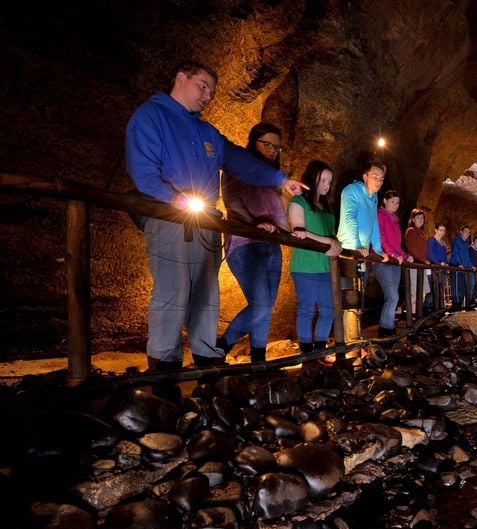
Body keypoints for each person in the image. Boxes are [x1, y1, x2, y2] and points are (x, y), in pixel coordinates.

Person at [125, 60, 307, 371]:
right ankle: (164, 363)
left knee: (207, 291)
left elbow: (238, 160)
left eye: (212, 91)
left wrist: (280, 179)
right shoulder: (151, 116)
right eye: (203, 86)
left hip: (206, 222)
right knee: (174, 290)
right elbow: (143, 171)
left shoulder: (207, 132)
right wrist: (174, 197)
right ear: (181, 77)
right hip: (169, 218)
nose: (208, 95)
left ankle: (207, 355)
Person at [216, 123, 289, 363]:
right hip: (245, 243)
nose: (272, 150)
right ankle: (220, 349)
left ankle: (259, 361)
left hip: (271, 245)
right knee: (261, 305)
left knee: (265, 308)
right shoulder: (241, 167)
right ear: (253, 142)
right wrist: (253, 224)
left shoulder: (272, 180)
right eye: (266, 144)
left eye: (276, 147)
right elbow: (232, 200)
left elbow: (280, 217)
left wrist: (299, 235)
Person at [288, 160, 343, 353]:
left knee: (328, 310)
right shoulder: (299, 201)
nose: (327, 186)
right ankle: (305, 352)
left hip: (325, 266)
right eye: (323, 180)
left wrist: (335, 242)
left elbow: (332, 235)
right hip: (305, 264)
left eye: (329, 181)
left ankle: (320, 350)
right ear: (313, 179)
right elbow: (298, 232)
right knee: (307, 309)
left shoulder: (326, 207)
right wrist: (330, 241)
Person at [337, 158, 389, 311]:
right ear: (365, 177)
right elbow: (349, 217)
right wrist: (357, 245)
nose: (378, 181)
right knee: (348, 296)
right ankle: (346, 333)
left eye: (381, 178)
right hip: (348, 252)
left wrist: (378, 250)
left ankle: (355, 332)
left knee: (360, 294)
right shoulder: (351, 191)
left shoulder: (374, 198)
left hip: (363, 253)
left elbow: (373, 225)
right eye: (375, 177)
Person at [375, 190, 413, 337]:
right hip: (384, 260)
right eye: (392, 202)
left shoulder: (394, 218)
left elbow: (397, 244)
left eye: (397, 202)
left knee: (392, 297)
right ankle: (386, 331)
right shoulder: (380, 215)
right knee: (392, 297)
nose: (395, 205)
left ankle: (387, 330)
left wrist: (405, 255)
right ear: (384, 201)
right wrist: (393, 254)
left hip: (395, 262)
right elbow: (381, 238)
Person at [403, 208, 432, 312]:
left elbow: (423, 249)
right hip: (415, 264)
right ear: (413, 219)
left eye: (422, 217)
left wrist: (425, 260)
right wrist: (424, 260)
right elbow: (413, 248)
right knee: (415, 293)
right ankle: (411, 315)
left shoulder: (421, 233)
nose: (420, 219)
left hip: (421, 265)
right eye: (418, 217)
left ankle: (416, 315)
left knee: (420, 293)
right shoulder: (411, 231)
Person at [449, 224, 472, 310]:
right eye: (465, 232)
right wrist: (459, 263)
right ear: (461, 232)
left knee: (461, 288)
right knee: (456, 287)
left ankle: (459, 307)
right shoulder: (457, 240)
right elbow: (455, 252)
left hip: (462, 269)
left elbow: (466, 257)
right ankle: (456, 307)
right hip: (456, 268)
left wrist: (471, 266)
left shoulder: (466, 243)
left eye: (468, 232)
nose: (467, 234)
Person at [427, 224, 448, 309]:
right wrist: (438, 263)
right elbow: (430, 253)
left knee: (440, 290)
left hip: (441, 270)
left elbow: (444, 256)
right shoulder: (432, 240)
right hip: (433, 268)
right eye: (440, 230)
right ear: (436, 230)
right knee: (433, 292)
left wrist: (446, 263)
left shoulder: (443, 243)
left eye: (444, 230)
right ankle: (425, 308)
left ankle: (437, 310)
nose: (442, 232)